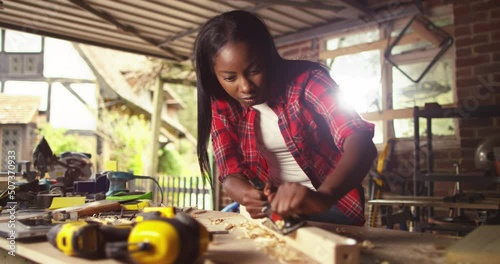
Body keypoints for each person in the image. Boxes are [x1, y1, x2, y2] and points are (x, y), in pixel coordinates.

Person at [194, 10, 377, 226]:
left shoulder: (307, 80)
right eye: (230, 78)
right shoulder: (222, 103)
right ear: (215, 76)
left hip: (334, 204)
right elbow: (229, 172)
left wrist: (323, 197)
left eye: (254, 70)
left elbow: (361, 142)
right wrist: (247, 196)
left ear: (268, 58)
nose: (245, 87)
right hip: (276, 209)